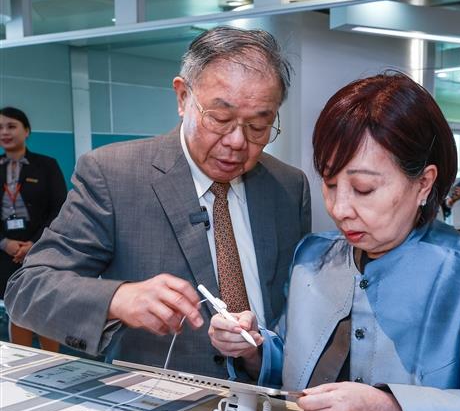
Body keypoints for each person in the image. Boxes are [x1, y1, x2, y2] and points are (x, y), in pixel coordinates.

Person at [209, 73, 460, 411]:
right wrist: (253, 349)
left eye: (364, 189)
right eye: (330, 184)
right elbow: (295, 361)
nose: (340, 209)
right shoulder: (313, 256)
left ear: (424, 183)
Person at [5, 27, 311, 377]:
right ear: (182, 97)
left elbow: (296, 310)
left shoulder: (289, 186)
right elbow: (28, 290)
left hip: (270, 403)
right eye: (220, 119)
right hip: (161, 409)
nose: (238, 142)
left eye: (259, 126)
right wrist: (119, 299)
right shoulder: (113, 175)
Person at [0, 107, 67, 352]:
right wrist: (4, 243)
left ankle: (53, 366)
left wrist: (36, 244)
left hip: (42, 249)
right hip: (5, 253)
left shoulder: (46, 166)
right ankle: (23, 366)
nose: (4, 132)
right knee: (15, 308)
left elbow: (60, 209)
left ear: (26, 131)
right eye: (0, 128)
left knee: (44, 306)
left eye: (11, 126)